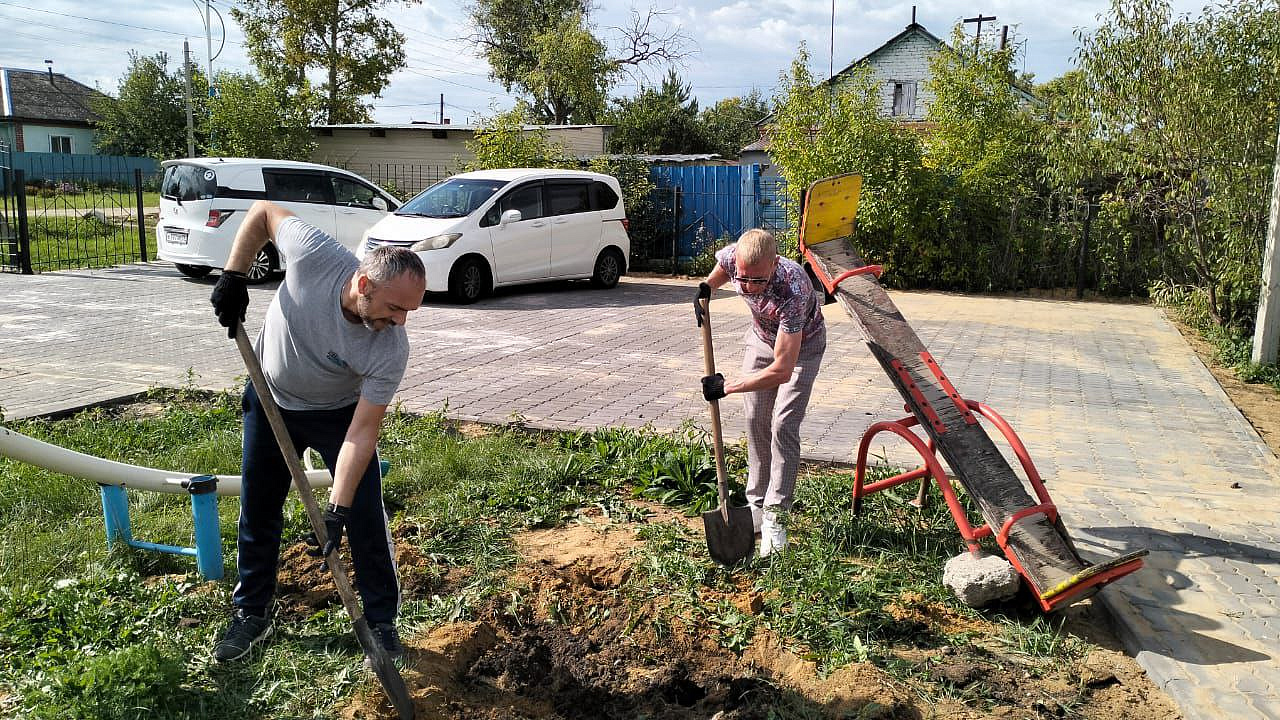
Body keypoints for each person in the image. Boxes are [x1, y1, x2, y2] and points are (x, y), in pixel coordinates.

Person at [208, 200, 427, 662]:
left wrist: (336, 509)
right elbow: (264, 212)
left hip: (338, 414)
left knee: (366, 515)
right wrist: (234, 275)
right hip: (270, 398)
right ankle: (251, 613)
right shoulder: (314, 255)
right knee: (259, 506)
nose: (401, 321)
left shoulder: (390, 348)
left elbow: (362, 433)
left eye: (409, 311)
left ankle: (382, 623)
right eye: (394, 307)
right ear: (363, 284)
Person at [694, 229, 826, 558]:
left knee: (782, 425)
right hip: (761, 338)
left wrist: (727, 386)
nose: (750, 287)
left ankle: (776, 516)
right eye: (745, 279)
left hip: (802, 349)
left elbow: (782, 370)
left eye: (759, 281)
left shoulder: (791, 288)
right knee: (755, 418)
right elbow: (723, 269)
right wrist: (706, 288)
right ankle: (755, 505)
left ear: (774, 265)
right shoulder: (733, 258)